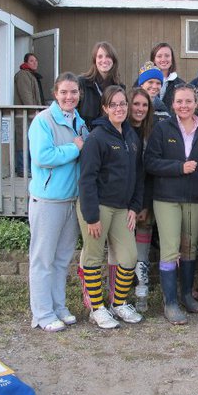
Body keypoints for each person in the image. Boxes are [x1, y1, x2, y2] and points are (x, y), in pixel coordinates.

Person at [77, 86, 145, 329]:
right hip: (98, 207)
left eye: (122, 104)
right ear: (105, 108)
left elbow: (138, 175)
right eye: (113, 104)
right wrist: (91, 216)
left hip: (122, 208)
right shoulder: (97, 137)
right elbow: (86, 179)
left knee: (129, 257)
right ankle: (97, 308)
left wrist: (134, 207)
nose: (119, 108)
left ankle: (118, 303)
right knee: (94, 257)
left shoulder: (131, 136)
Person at [145, 84, 198, 325]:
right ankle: (170, 302)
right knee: (171, 250)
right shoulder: (162, 128)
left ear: (196, 104)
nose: (184, 105)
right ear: (172, 104)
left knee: (190, 249)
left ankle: (186, 295)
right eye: (179, 102)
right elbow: (150, 162)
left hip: (195, 199)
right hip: (167, 198)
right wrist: (178, 168)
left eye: (188, 101)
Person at [27, 72, 87, 332]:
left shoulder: (80, 121)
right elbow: (42, 156)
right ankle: (42, 313)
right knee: (43, 259)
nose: (69, 96)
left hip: (71, 199)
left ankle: (58, 307)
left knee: (62, 259)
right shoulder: (43, 121)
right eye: (64, 92)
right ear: (55, 93)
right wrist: (74, 148)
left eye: (73, 92)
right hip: (48, 200)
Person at [127, 87, 155, 312]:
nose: (140, 109)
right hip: (120, 201)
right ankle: (117, 293)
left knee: (142, 252)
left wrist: (144, 204)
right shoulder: (121, 130)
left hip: (144, 199)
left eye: (144, 105)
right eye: (136, 104)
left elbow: (148, 171)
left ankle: (142, 291)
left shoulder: (151, 133)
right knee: (121, 251)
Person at [77, 42, 124, 129]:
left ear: (113, 60)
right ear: (95, 60)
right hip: (85, 138)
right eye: (100, 56)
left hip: (109, 138)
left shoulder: (119, 87)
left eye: (108, 56)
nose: (104, 60)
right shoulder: (82, 83)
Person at [14, 53, 44, 176]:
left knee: (31, 141)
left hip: (32, 115)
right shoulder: (23, 75)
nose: (35, 63)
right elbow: (26, 95)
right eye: (32, 61)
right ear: (25, 62)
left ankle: (30, 168)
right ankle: (22, 168)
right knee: (23, 141)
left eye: (36, 61)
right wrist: (33, 109)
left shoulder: (32, 75)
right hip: (25, 115)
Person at [140, 42, 185, 111]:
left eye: (167, 56)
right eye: (159, 56)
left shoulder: (181, 85)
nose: (163, 59)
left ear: (172, 59)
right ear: (153, 60)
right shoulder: (142, 80)